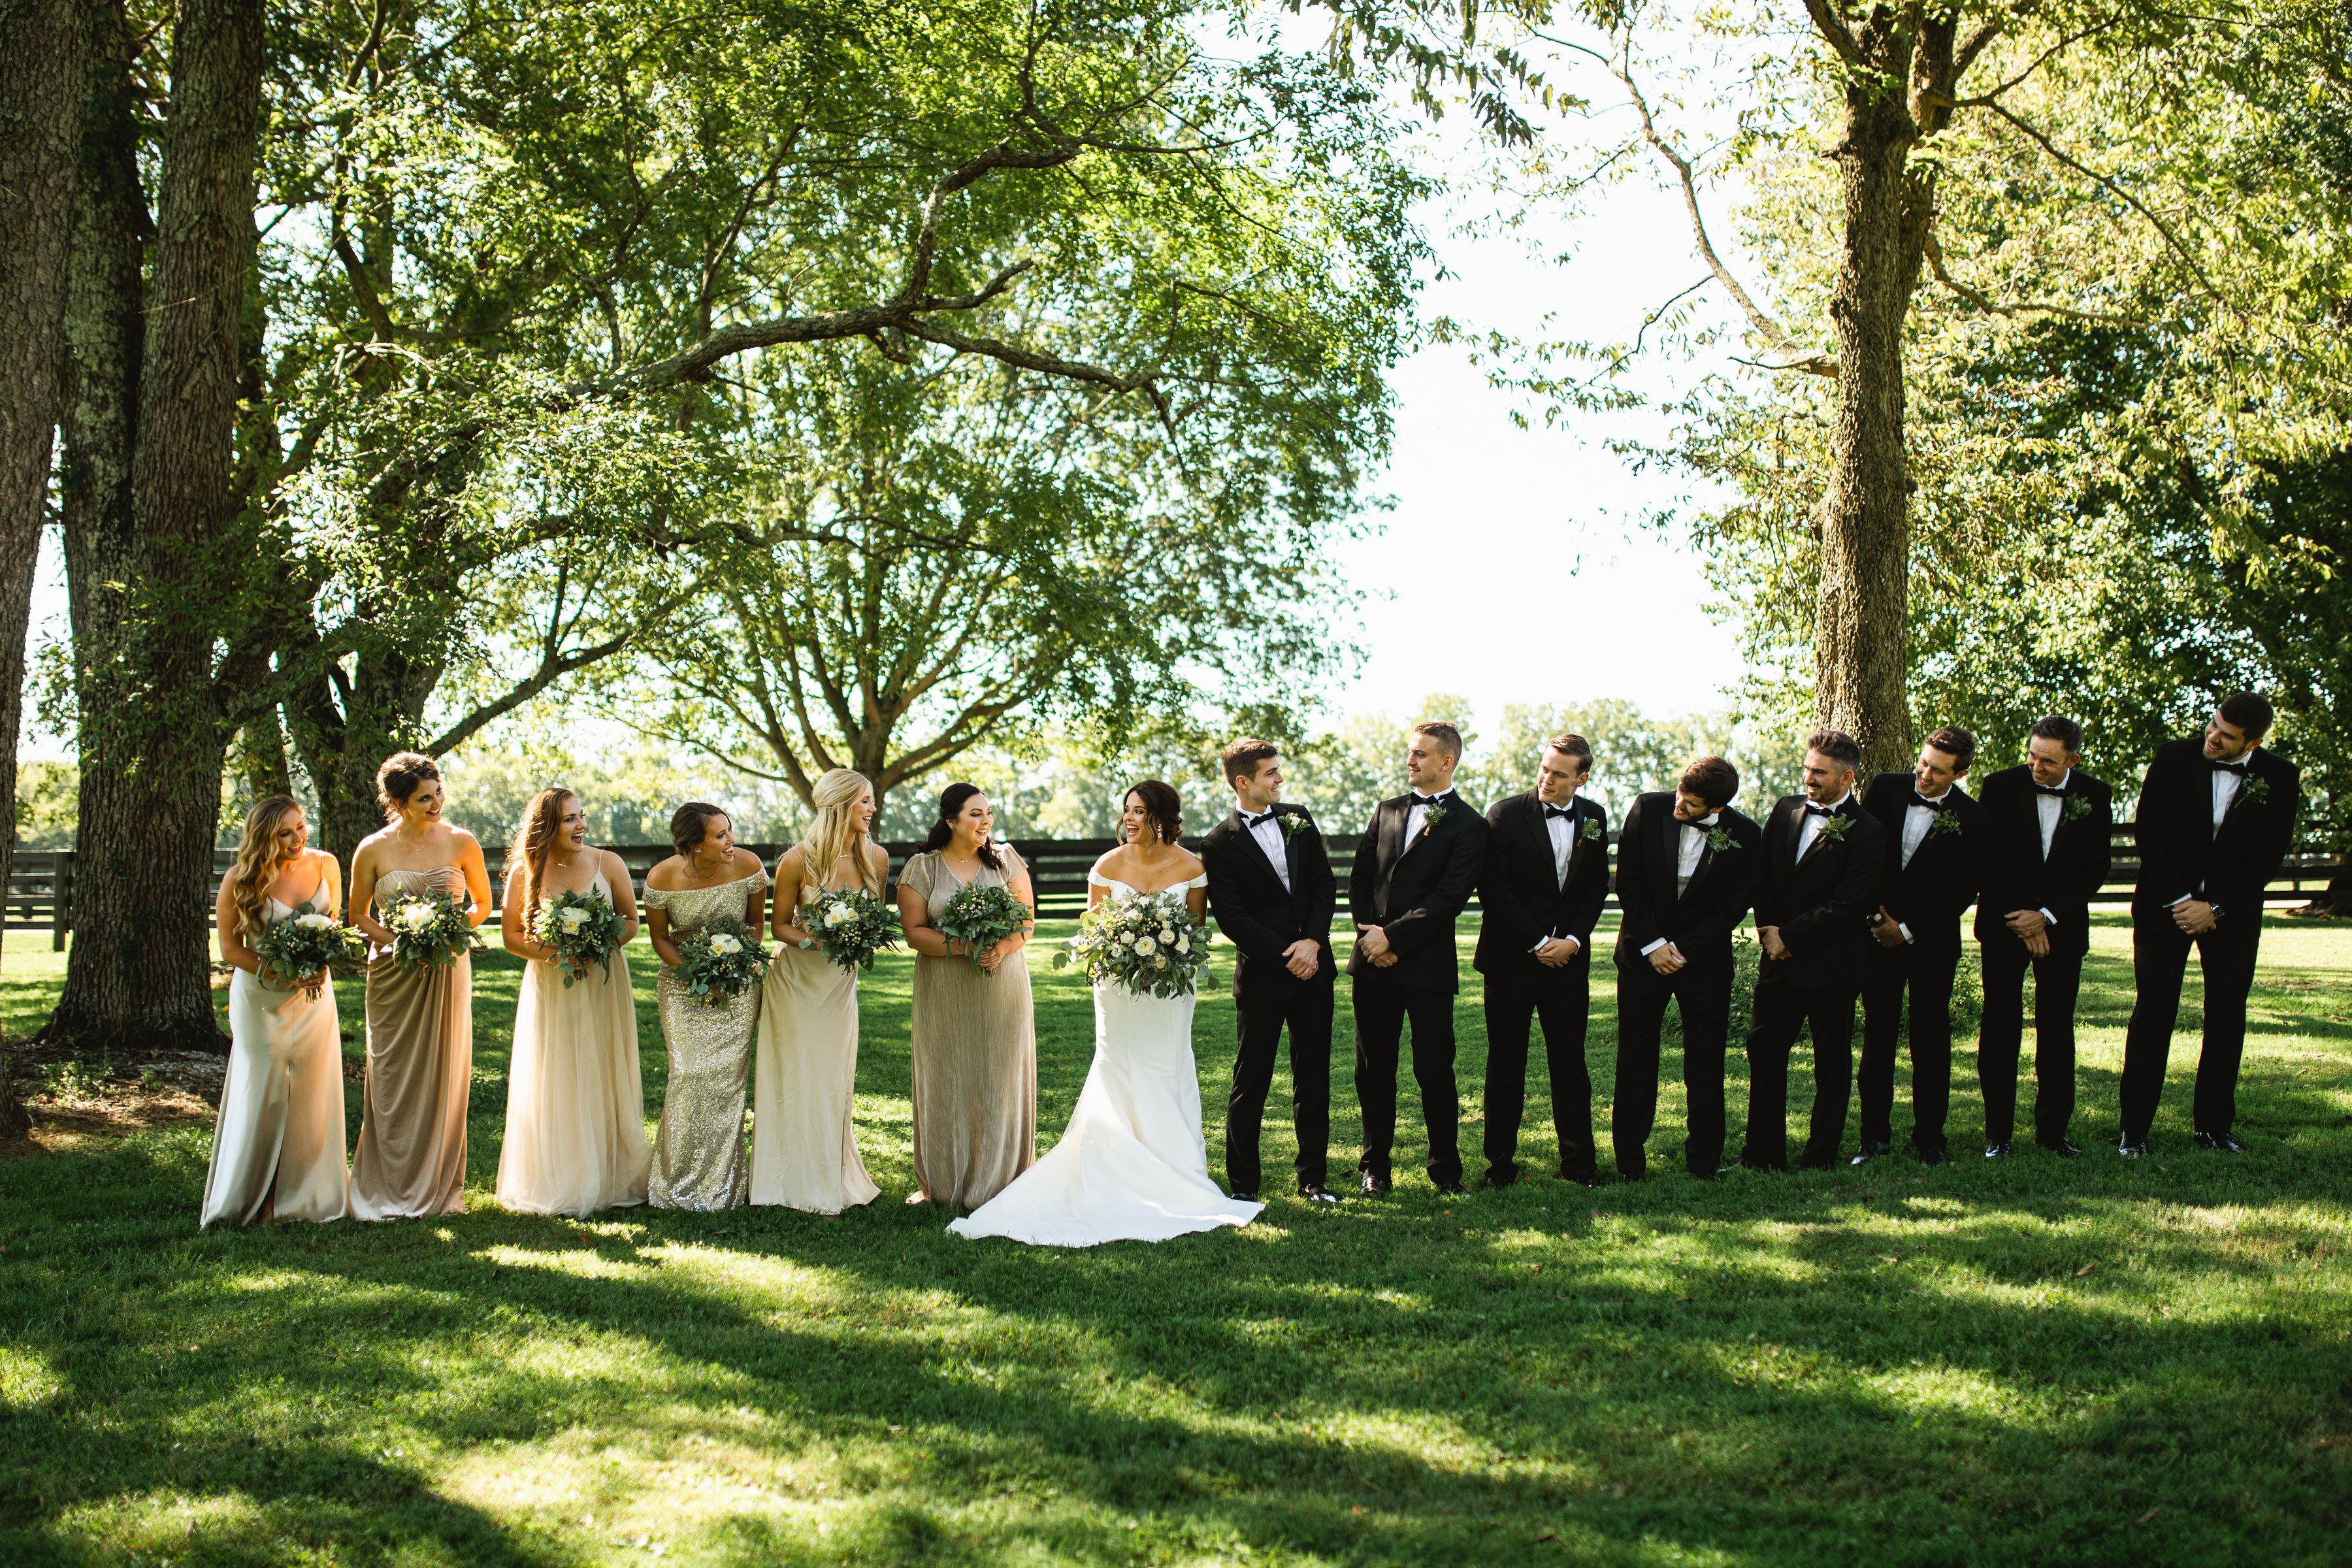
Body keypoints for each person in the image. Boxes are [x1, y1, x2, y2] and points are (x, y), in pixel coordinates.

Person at [953, 782, 1264, 1245]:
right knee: (1118, 1066)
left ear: (1163, 818)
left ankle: (1175, 1168)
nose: (1130, 819)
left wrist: (1165, 953)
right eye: (1127, 810)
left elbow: (1196, 933)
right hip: (1117, 987)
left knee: (1168, 1066)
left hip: (1171, 990)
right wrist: (1124, 949)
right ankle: (1112, 1161)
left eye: (1140, 811)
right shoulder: (1107, 866)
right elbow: (1094, 931)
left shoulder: (1192, 868)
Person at [2117, 693, 2303, 1156]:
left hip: (2233, 916)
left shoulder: (2280, 776)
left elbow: (2267, 857)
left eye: (2228, 736)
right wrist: (2183, 901)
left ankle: (2213, 1129)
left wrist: (2215, 907)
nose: (2214, 737)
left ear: (2253, 743)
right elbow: (2149, 834)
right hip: (2164, 906)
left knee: (2226, 1015)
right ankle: (2134, 1131)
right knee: (2153, 1013)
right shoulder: (2172, 757)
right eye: (2213, 724)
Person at [347, 753, 493, 1220]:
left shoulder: (461, 841)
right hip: (393, 972)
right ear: (397, 802)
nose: (436, 804)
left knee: (443, 1070)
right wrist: (400, 941)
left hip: (446, 967)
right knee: (390, 1074)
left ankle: (436, 1183)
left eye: (438, 793)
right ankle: (387, 1182)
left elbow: (482, 904)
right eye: (424, 799)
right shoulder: (372, 849)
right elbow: (358, 915)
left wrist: (447, 934)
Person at [1347, 721, 1491, 1196]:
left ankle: (1445, 1170)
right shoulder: (1387, 810)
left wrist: (1393, 939)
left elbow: (1451, 897)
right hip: (1372, 963)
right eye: (1410, 753)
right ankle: (1375, 1167)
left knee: (1434, 1069)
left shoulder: (1470, 825)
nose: (1410, 761)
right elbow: (1360, 878)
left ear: (1447, 762)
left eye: (1421, 754)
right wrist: (1371, 938)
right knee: (1373, 1070)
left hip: (1427, 965)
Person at [493, 788, 651, 1216]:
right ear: (547, 826)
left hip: (603, 978)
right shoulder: (525, 872)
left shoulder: (608, 863)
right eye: (569, 819)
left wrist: (598, 946)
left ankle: (612, 1171)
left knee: (604, 1063)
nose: (581, 825)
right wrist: (559, 954)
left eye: (581, 816)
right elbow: (512, 937)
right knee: (558, 1068)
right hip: (553, 983)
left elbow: (631, 921)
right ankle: (563, 1173)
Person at [1200, 738, 1340, 1203]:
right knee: (1251, 1081)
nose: (1280, 778)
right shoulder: (1217, 843)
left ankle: (1313, 1179)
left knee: (1313, 1079)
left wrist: (1312, 943)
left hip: (1315, 971)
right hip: (1262, 977)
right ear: (1244, 782)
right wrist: (1289, 953)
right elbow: (1233, 918)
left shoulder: (1299, 817)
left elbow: (1324, 885)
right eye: (1271, 772)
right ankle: (1243, 1186)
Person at [201, 794, 350, 1226]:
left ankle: (302, 1196)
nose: (297, 838)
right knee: (265, 1093)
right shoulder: (241, 879)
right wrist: (285, 973)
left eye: (300, 827)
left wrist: (321, 962)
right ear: (264, 837)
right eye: (284, 833)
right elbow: (231, 950)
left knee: (312, 1092)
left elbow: (334, 926)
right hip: (262, 997)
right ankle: (252, 1196)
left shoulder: (326, 864)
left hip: (314, 998)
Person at [1740, 730, 1886, 1171]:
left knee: (1831, 1063)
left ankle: (1820, 1156)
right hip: (1777, 961)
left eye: (1819, 772)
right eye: (1807, 769)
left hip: (1832, 965)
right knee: (1765, 1052)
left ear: (1847, 778)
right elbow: (1762, 876)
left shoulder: (1869, 831)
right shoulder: (1785, 809)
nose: (1809, 778)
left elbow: (1848, 904)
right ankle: (1762, 1154)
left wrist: (1790, 936)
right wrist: (1769, 932)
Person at [1611, 757, 1763, 1181]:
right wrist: (1654, 945)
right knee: (1636, 1059)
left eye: (1692, 804)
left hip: (1704, 963)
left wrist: (1682, 949)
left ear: (1717, 808)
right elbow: (1629, 883)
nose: (1680, 805)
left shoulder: (1746, 835)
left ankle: (1704, 1162)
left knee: (1706, 1062)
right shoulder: (1647, 808)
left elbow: (1734, 906)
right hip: (1642, 956)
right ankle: (1629, 1163)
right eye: (1681, 794)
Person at [1473, 733, 1611, 1187]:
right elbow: (1494, 890)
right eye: (1544, 768)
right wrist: (1537, 942)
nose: (1546, 779)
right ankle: (1500, 1166)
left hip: (1568, 964)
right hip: (1510, 962)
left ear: (1581, 779)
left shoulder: (1594, 817)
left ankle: (1579, 1164)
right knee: (1506, 1066)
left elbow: (1596, 887)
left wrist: (1572, 939)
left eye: (1559, 774)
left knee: (1570, 1064)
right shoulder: (1504, 814)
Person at [1973, 717, 2112, 1157]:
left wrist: (2047, 916)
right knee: (2000, 1026)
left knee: (2056, 1028)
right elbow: (1987, 860)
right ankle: (1998, 1134)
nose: (2036, 766)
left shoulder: (2095, 795)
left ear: (2073, 760)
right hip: (2006, 923)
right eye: (2032, 756)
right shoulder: (1998, 786)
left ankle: (2053, 1132)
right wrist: (2024, 918)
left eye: (2048, 762)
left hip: (2062, 928)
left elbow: (2095, 868)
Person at [896, 783, 1038, 1211]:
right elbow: (914, 933)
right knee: (947, 1077)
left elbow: (1027, 922)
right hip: (944, 990)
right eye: (975, 814)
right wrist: (964, 947)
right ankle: (943, 1182)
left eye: (988, 813)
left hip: (1002, 988)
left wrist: (1003, 947)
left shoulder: (1006, 859)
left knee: (999, 1077)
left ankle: (1005, 1179)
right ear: (951, 821)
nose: (985, 821)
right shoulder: (923, 867)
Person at [757, 769, 888, 1213]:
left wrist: (858, 939)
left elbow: (875, 921)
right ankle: (784, 1181)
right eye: (864, 801)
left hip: (839, 985)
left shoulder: (877, 858)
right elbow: (779, 927)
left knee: (833, 1077)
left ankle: (831, 1174)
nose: (872, 809)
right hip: (795, 982)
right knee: (796, 1076)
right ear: (840, 805)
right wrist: (819, 942)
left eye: (871, 801)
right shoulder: (797, 860)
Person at [1854, 727, 1985, 1167]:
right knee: (1878, 1036)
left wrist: (1907, 930)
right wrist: (1878, 922)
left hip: (1932, 944)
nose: (1924, 775)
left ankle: (1930, 1140)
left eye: (1938, 771)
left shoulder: (1973, 818)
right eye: (1923, 763)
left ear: (1960, 774)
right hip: (1876, 937)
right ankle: (1873, 1138)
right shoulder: (1885, 789)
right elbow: (1862, 858)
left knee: (1930, 1040)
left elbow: (1962, 890)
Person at [644, 801, 769, 1210]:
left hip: (738, 984)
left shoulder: (749, 866)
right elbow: (660, 938)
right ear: (696, 845)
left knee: (729, 1080)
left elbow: (755, 924)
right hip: (682, 984)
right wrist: (695, 976)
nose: (731, 840)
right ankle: (674, 1182)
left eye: (729, 830)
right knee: (687, 1073)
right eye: (720, 835)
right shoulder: (661, 877)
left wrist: (734, 964)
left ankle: (722, 1186)